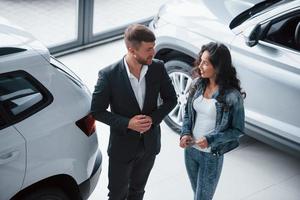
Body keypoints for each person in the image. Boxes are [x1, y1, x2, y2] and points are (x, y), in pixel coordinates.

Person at [91, 24, 177, 200]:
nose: (153, 52)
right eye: (149, 49)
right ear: (132, 50)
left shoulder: (158, 67)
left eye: (153, 47)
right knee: (117, 194)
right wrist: (128, 123)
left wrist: (152, 119)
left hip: (149, 145)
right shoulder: (108, 75)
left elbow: (171, 99)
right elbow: (97, 111)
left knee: (138, 192)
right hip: (122, 148)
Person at [179, 42, 246, 200]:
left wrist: (211, 139)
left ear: (218, 67)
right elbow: (188, 115)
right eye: (200, 60)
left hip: (211, 155)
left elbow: (238, 130)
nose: (199, 66)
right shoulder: (197, 85)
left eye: (205, 63)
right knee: (197, 194)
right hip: (190, 151)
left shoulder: (232, 96)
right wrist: (185, 133)